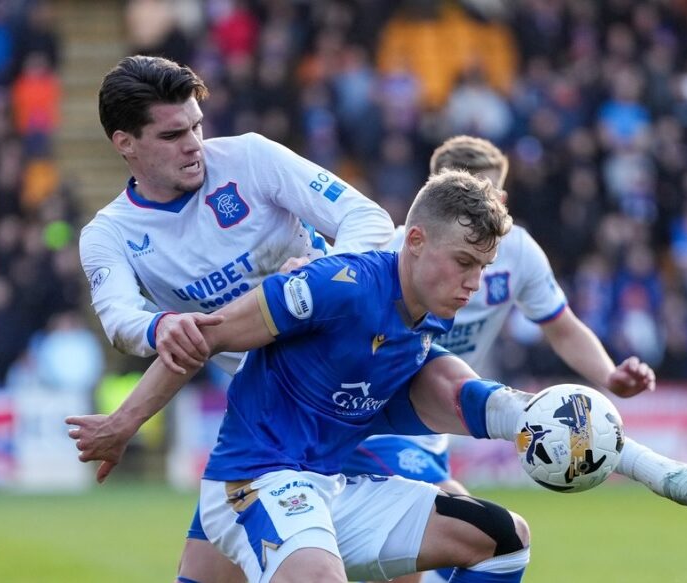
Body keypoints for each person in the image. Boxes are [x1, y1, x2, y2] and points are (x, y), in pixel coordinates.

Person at [68, 170, 534, 583]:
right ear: (414, 241)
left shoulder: (432, 315)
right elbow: (205, 337)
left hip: (331, 486)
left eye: (483, 267)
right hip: (256, 478)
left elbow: (427, 396)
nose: (474, 283)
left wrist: (519, 415)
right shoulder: (336, 285)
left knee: (504, 539)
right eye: (464, 263)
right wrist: (123, 423)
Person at [343, 136, 687, 583]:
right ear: (434, 196)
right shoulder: (397, 252)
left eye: (485, 196)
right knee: (451, 536)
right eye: (461, 196)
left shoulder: (518, 253)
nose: (475, 210)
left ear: (502, 200)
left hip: (440, 415)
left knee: (462, 544)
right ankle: (666, 475)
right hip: (375, 417)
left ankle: (666, 475)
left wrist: (608, 372)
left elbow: (562, 325)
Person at [79, 55, 394, 583]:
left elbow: (369, 219)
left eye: (197, 125)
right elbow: (120, 319)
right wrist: (160, 329)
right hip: (267, 411)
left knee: (433, 550)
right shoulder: (109, 234)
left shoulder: (250, 158)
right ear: (124, 143)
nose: (194, 144)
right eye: (173, 133)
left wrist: (319, 272)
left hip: (352, 377)